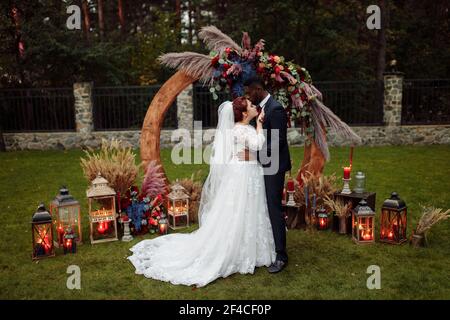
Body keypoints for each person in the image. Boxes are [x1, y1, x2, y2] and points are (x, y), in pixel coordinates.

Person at [128, 97, 276, 287]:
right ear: (245, 113)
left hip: (246, 171)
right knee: (241, 209)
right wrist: (260, 124)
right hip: (243, 174)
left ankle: (252, 248)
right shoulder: (240, 129)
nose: (256, 107)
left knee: (249, 209)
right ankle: (238, 249)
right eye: (251, 106)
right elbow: (257, 144)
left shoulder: (240, 129)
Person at [244, 77, 292, 273]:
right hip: (262, 164)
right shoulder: (260, 108)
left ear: (257, 89)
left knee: (273, 207)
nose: (248, 96)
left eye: (249, 92)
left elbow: (277, 142)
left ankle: (281, 255)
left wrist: (254, 155)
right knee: (263, 205)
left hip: (274, 166)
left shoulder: (276, 108)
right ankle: (268, 246)